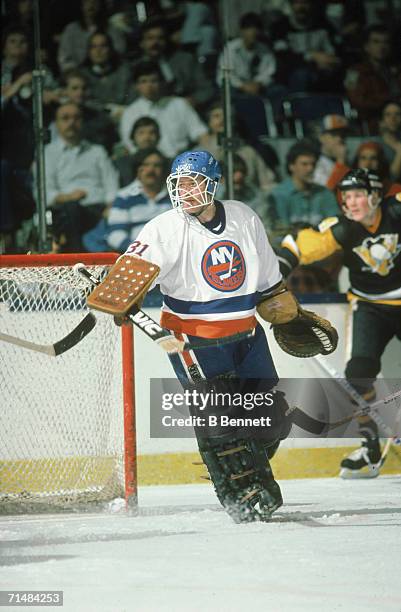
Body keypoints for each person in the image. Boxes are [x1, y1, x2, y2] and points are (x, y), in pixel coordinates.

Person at [116, 150, 322, 521]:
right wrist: (117, 290)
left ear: (213, 185)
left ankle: (245, 461)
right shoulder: (164, 227)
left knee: (271, 420)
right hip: (194, 341)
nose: (185, 190)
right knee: (221, 422)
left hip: (247, 336)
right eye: (179, 183)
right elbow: (128, 272)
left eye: (194, 182)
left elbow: (269, 284)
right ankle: (241, 493)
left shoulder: (243, 216)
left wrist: (284, 312)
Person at [277, 169, 401, 477]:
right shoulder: (342, 229)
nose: (352, 202)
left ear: (375, 195)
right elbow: (298, 244)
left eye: (358, 194)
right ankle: (370, 447)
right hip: (370, 306)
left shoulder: (396, 209)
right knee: (358, 374)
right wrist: (274, 279)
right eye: (346, 197)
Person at [44, 102, 119, 252]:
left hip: (98, 210)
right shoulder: (48, 153)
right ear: (56, 124)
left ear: (82, 122)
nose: (71, 122)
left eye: (76, 118)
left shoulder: (97, 151)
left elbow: (111, 184)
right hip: (66, 210)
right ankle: (77, 259)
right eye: (65, 118)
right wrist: (68, 197)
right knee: (71, 209)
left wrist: (110, 206)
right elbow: (45, 193)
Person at [83, 147, 171, 252]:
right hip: (135, 256)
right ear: (137, 169)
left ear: (164, 170)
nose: (151, 170)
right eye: (145, 165)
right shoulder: (124, 197)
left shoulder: (175, 197)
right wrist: (140, 251)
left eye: (156, 165)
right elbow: (115, 235)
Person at [119, 62, 209, 158]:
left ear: (161, 83)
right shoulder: (130, 113)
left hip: (182, 163)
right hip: (148, 165)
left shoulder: (179, 104)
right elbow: (130, 146)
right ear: (136, 86)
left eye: (153, 81)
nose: (149, 86)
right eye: (143, 81)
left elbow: (201, 134)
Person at [267, 141, 339, 245]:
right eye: (304, 164)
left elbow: (335, 225)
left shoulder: (325, 193)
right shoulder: (278, 195)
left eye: (313, 164)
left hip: (321, 247)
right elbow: (279, 232)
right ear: (291, 166)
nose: (310, 169)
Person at [344, 25, 401, 133]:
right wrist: (388, 100)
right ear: (366, 46)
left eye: (386, 42)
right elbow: (356, 102)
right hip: (372, 124)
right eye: (376, 42)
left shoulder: (396, 71)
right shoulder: (354, 72)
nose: (382, 46)